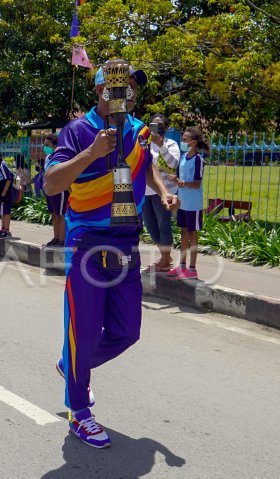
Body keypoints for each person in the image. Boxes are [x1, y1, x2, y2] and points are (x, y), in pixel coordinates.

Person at [43, 64, 177, 448]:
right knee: (83, 330)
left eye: (133, 85)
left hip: (126, 242)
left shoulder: (138, 130)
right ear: (100, 89)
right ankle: (79, 411)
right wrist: (91, 152)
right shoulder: (77, 131)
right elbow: (52, 182)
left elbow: (145, 165)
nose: (128, 91)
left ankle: (71, 366)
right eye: (120, 85)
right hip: (88, 241)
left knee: (126, 331)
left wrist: (161, 190)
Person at [168, 127, 208, 280]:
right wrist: (176, 181)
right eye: (182, 139)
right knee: (183, 232)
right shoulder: (183, 157)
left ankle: (192, 269)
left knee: (192, 234)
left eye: (185, 140)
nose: (183, 142)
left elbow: (196, 183)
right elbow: (179, 179)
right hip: (183, 203)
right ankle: (182, 266)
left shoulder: (199, 159)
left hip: (193, 204)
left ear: (194, 142)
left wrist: (181, 183)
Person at [142, 114, 180, 272]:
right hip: (145, 191)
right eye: (152, 125)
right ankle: (165, 256)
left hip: (165, 192)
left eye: (159, 125)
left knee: (163, 225)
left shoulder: (171, 144)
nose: (155, 128)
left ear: (164, 128)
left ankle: (165, 258)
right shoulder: (145, 144)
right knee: (150, 226)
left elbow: (173, 164)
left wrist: (162, 146)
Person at [42, 133, 66, 247]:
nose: (45, 147)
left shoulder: (60, 157)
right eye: (44, 145)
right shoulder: (48, 158)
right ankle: (56, 238)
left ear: (55, 145)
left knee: (60, 214)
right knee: (54, 214)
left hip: (59, 189)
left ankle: (62, 240)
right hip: (49, 190)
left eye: (47, 145)